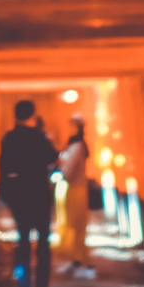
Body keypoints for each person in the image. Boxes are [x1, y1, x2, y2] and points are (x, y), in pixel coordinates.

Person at [0, 100, 59, 287]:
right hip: (40, 196)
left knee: (23, 244)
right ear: (33, 114)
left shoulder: (9, 139)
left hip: (19, 199)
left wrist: (8, 196)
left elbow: (2, 169)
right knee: (43, 246)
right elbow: (53, 158)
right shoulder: (38, 137)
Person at [59, 112, 92, 272]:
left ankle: (78, 258)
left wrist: (59, 172)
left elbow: (68, 170)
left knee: (75, 224)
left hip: (75, 189)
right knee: (77, 224)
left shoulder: (77, 146)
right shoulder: (78, 145)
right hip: (77, 188)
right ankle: (78, 258)